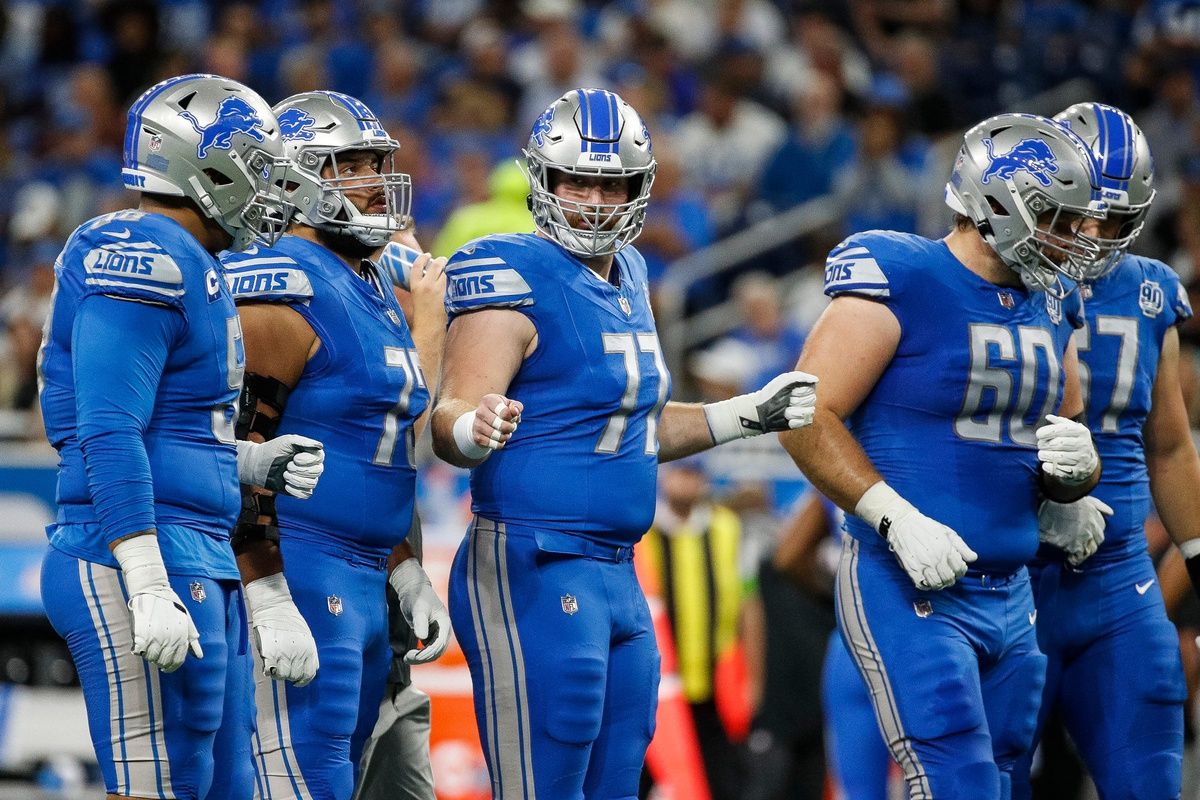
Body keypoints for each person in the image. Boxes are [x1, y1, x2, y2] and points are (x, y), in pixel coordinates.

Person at [429, 87, 818, 799]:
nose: (594, 200)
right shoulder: (506, 267)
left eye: (612, 183)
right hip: (533, 563)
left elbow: (636, 425)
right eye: (578, 179)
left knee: (622, 780)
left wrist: (744, 415)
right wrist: (468, 428)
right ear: (544, 180)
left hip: (619, 571)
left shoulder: (633, 274)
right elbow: (453, 410)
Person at [778, 112, 1107, 799]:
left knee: (1007, 783)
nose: (1074, 237)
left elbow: (1064, 436)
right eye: (1057, 216)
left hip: (1014, 592)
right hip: (912, 587)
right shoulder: (904, 274)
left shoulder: (1052, 305)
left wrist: (1073, 484)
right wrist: (895, 517)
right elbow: (803, 416)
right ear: (998, 202)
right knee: (956, 780)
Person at [37, 73, 324, 800]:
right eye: (256, 165)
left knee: (227, 781)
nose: (271, 186)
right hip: (132, 550)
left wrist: (250, 460)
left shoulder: (200, 265)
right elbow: (107, 429)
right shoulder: (139, 254)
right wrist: (146, 579)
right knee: (163, 783)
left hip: (197, 546)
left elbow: (176, 430)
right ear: (206, 167)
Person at [220, 91, 450, 800]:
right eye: (348, 165)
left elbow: (365, 449)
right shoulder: (279, 291)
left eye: (376, 163)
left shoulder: (374, 280)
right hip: (307, 570)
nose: (374, 180)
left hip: (364, 577)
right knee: (301, 780)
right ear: (294, 179)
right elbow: (235, 456)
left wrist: (404, 568)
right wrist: (266, 587)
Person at [1011, 102, 1198, 798]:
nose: (1093, 236)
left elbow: (1171, 447)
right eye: (1081, 213)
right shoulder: (989, 275)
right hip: (1005, 572)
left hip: (1117, 577)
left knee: (1150, 780)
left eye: (1114, 220)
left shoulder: (1150, 293)